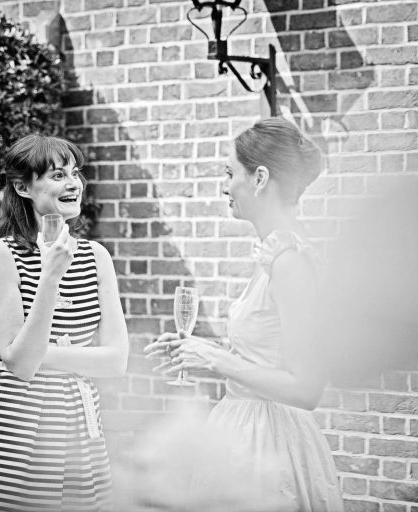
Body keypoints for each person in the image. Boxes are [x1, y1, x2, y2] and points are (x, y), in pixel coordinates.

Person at [145, 117, 344, 512]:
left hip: (268, 449)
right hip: (242, 435)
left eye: (229, 172)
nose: (223, 186)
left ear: (260, 178)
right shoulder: (272, 255)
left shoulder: (290, 262)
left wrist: (216, 360)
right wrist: (202, 349)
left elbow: (306, 389)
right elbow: (267, 356)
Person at [0, 134, 129, 512]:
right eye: (57, 175)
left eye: (75, 173)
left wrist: (37, 354)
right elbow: (22, 367)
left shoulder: (96, 256)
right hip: (18, 428)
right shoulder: (0, 256)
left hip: (81, 431)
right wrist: (50, 277)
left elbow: (116, 362)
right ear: (23, 187)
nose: (73, 183)